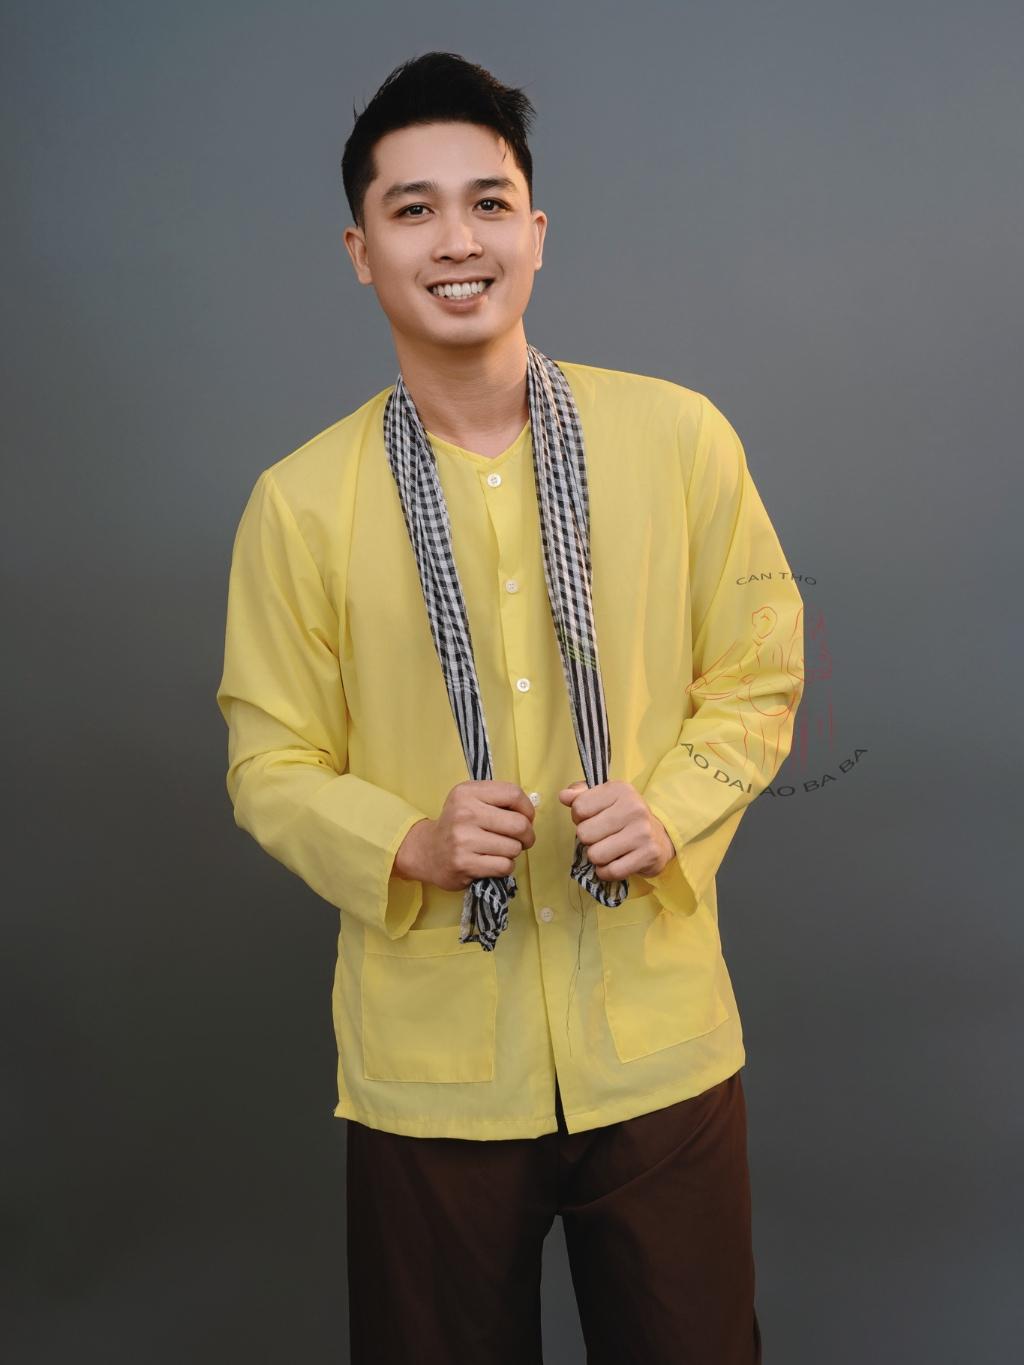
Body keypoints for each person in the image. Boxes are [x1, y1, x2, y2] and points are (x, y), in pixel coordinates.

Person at [215, 49, 805, 1365]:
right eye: (412, 209)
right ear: (361, 251)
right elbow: (269, 758)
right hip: (431, 1067)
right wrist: (407, 843)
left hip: (657, 1038)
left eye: (487, 203)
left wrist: (675, 807)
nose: (456, 240)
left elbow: (760, 670)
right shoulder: (299, 504)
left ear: (536, 231)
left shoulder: (681, 440)